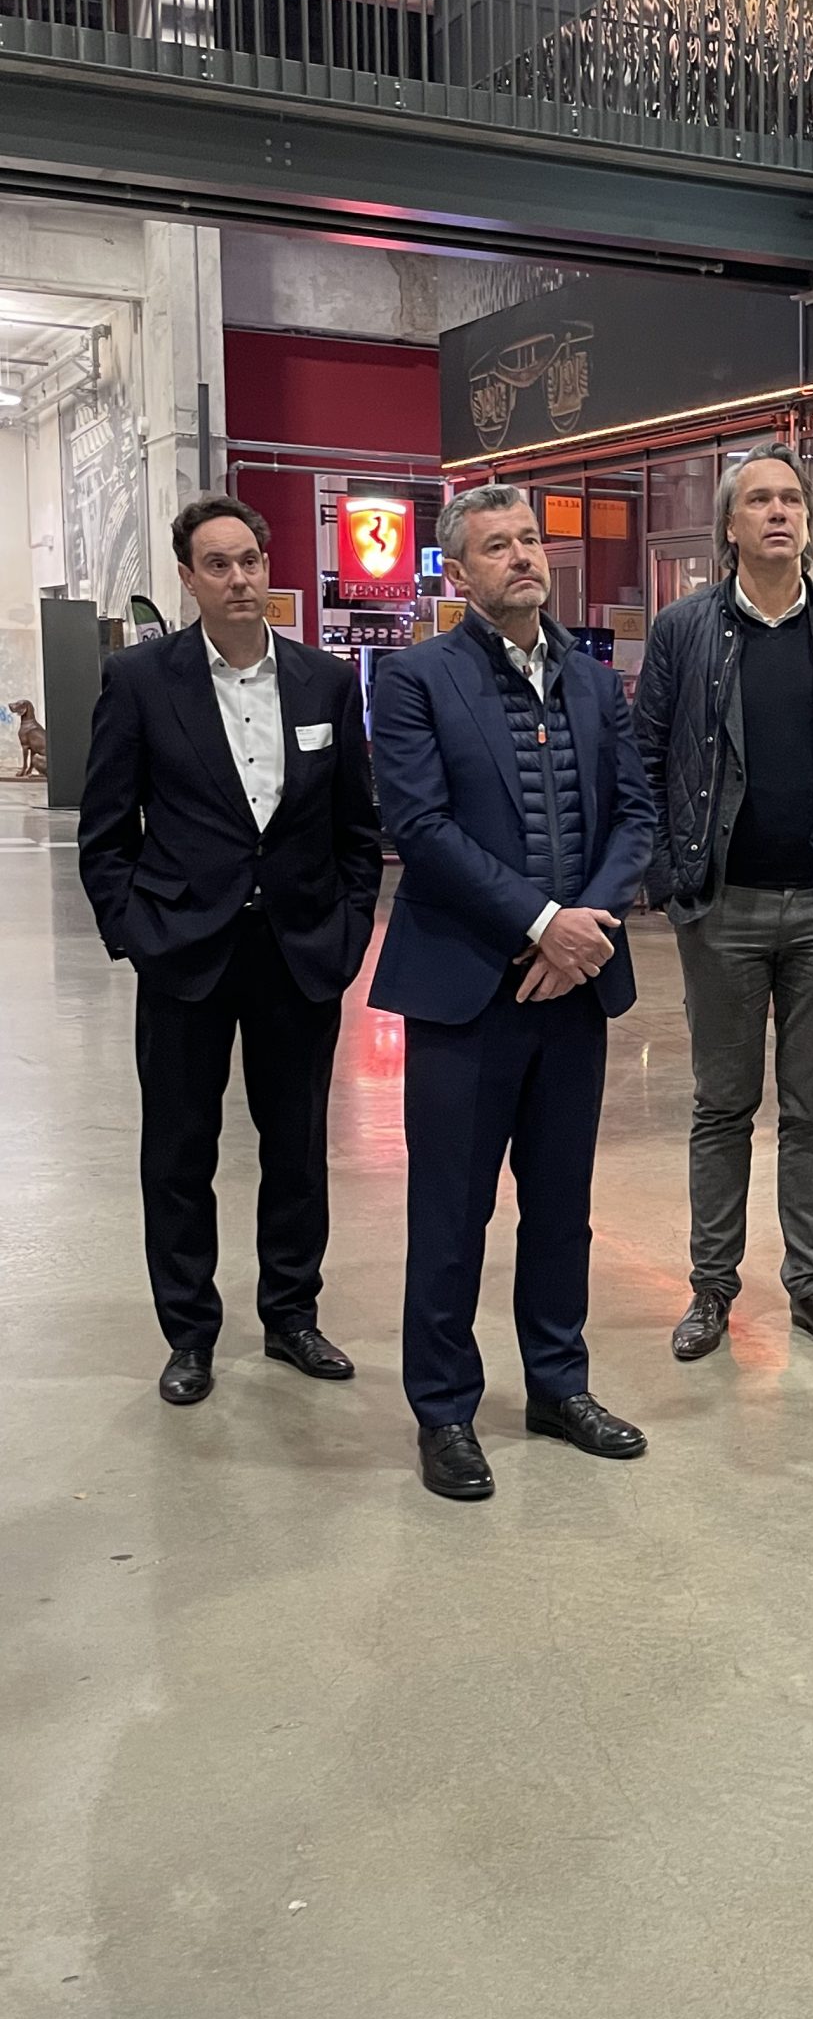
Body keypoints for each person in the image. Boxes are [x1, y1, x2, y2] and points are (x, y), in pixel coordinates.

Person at [369, 485, 655, 1502]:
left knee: (562, 1206)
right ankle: (445, 1409)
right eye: (497, 545)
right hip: (465, 991)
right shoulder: (416, 681)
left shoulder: (593, 681)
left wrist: (585, 930)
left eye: (530, 538)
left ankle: (557, 1384)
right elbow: (420, 826)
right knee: (452, 1212)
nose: (523, 555)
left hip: (573, 990)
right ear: (459, 572)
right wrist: (541, 923)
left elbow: (635, 813)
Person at [77, 493, 382, 1406]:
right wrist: (134, 933)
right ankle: (189, 1333)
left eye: (250, 560)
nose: (240, 579)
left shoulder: (325, 681)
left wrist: (348, 927)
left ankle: (291, 1315)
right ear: (188, 578)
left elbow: (356, 828)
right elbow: (106, 831)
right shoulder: (141, 680)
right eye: (218, 565)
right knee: (179, 1150)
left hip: (298, 950)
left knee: (297, 1146)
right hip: (185, 951)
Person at [633, 445, 813, 1365]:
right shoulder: (684, 630)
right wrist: (669, 877)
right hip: (723, 906)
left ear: (809, 521)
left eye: (792, 499)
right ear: (730, 526)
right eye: (760, 500)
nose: (779, 512)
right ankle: (712, 1287)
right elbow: (646, 758)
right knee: (723, 1105)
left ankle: (812, 1285)